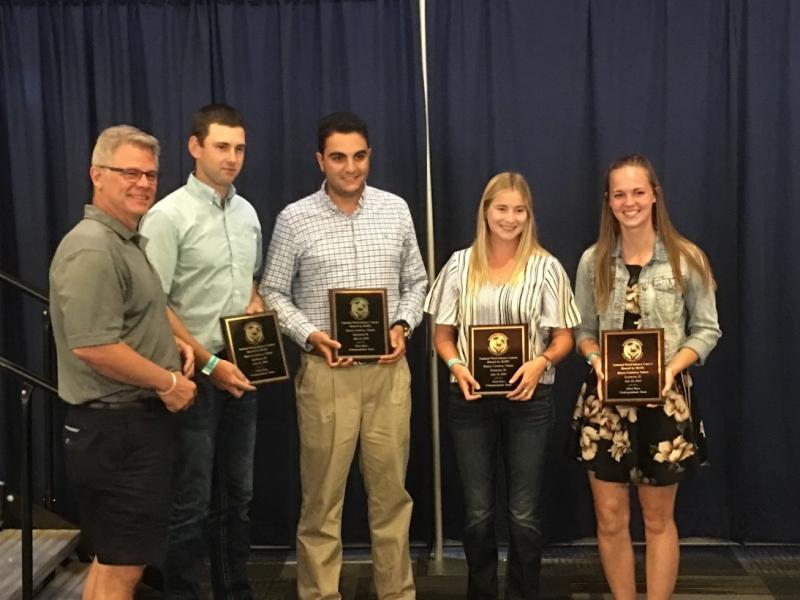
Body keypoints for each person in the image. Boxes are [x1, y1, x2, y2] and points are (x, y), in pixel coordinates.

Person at [259, 111, 427, 600]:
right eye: (338, 157)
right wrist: (311, 335)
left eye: (359, 156)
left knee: (392, 497)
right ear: (320, 160)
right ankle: (319, 595)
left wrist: (403, 324)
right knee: (322, 502)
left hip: (389, 375)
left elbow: (417, 282)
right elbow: (272, 291)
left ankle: (397, 594)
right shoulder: (294, 218)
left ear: (369, 156)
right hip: (325, 376)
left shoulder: (395, 210)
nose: (350, 167)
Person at [49, 125, 197, 600]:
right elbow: (93, 346)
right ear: (97, 174)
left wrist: (176, 342)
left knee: (112, 559)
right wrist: (167, 381)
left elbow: (136, 316)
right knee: (123, 569)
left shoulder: (125, 241)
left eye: (150, 174)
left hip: (128, 431)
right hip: (118, 433)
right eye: (128, 172)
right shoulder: (93, 247)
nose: (143, 183)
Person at [571, 154, 721, 599]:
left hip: (666, 404)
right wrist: (596, 358)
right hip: (605, 407)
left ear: (654, 195)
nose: (629, 202)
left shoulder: (686, 258)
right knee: (610, 519)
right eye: (619, 194)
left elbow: (707, 329)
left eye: (638, 192)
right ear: (608, 201)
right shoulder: (592, 260)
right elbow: (581, 329)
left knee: (658, 520)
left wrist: (671, 369)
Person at [425, 172, 579, 600]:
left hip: (530, 400)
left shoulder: (547, 267)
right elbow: (442, 336)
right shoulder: (459, 264)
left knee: (524, 514)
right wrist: (456, 365)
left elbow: (564, 335)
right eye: (501, 208)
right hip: (470, 400)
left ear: (529, 214)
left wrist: (541, 362)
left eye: (519, 210)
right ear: (485, 211)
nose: (510, 218)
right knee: (477, 513)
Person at [139, 103, 263, 599]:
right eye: (221, 147)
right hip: (192, 375)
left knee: (239, 498)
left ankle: (236, 592)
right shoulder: (167, 216)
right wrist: (210, 364)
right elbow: (155, 305)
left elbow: (246, 285)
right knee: (190, 502)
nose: (232, 158)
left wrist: (255, 302)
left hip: (242, 372)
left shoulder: (248, 212)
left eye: (239, 148)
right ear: (195, 147)